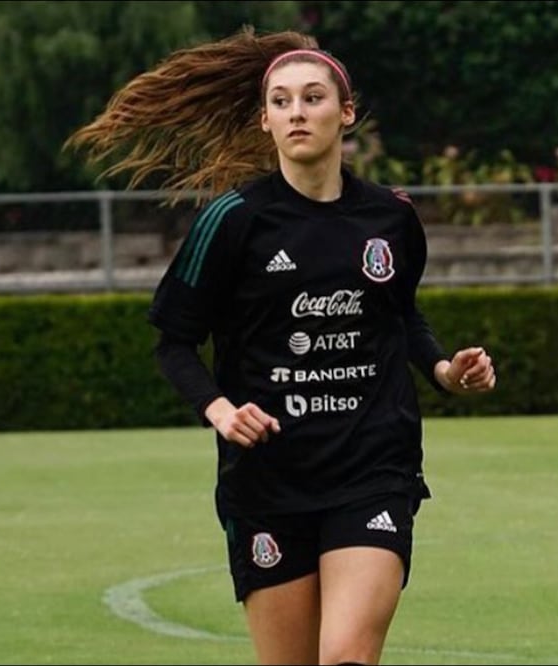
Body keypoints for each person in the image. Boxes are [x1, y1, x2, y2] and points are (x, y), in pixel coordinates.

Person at [67, 27, 496, 665]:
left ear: (345, 113)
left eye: (313, 97)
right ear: (265, 121)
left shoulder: (392, 217)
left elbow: (400, 314)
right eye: (281, 101)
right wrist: (221, 410)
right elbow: (174, 343)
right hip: (268, 481)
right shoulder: (233, 220)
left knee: (348, 657)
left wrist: (442, 369)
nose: (297, 112)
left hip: (373, 471)